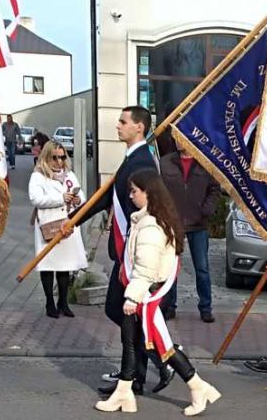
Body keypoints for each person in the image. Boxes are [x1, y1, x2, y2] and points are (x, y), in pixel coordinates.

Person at [94, 170, 221, 415]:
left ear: (148, 193)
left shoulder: (151, 226)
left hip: (143, 295)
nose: (130, 196)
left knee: (161, 346)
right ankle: (124, 393)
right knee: (131, 342)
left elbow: (145, 268)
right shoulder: (147, 219)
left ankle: (197, 386)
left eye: (134, 191)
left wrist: (132, 296)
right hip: (140, 293)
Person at [70, 106, 173, 395]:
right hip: (126, 249)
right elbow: (107, 199)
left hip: (135, 251)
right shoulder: (132, 158)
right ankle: (137, 374)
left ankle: (161, 359)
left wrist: (138, 251)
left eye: (123, 122)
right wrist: (74, 221)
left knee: (120, 309)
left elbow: (146, 207)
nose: (117, 126)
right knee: (124, 313)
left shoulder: (142, 163)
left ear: (139, 128)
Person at [160, 140, 221, 322]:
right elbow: (158, 189)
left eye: (182, 137)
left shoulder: (205, 162)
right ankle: (169, 306)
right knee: (171, 268)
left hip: (198, 223)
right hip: (173, 223)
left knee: (202, 268)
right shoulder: (165, 162)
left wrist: (206, 210)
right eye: (176, 138)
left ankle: (205, 307)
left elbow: (215, 189)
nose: (179, 141)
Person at [29, 140, 87, 318]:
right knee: (48, 265)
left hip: (67, 225)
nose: (59, 161)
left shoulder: (69, 174)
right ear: (46, 157)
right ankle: (49, 302)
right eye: (55, 157)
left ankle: (63, 302)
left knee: (65, 266)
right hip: (48, 225)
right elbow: (36, 199)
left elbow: (82, 196)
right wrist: (61, 198)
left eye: (62, 157)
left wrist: (78, 200)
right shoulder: (38, 176)